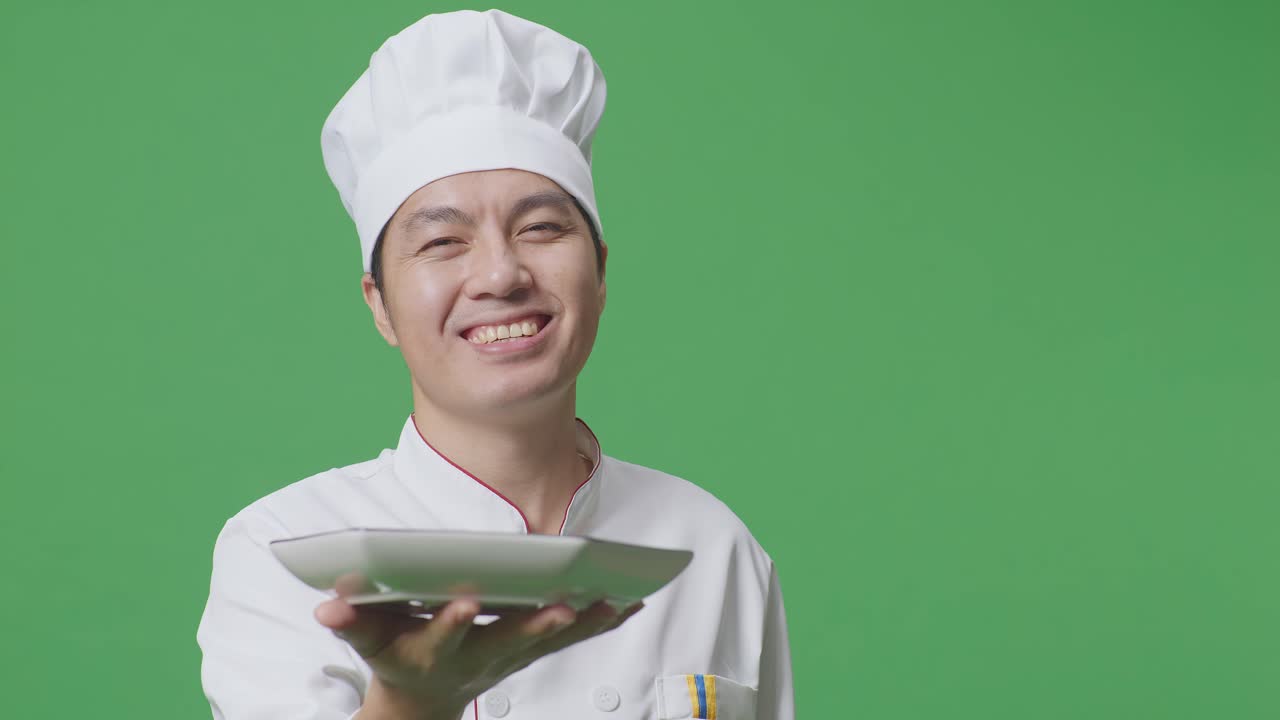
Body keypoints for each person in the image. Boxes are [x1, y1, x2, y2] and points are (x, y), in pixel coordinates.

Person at [196, 9, 795, 720]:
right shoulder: (287, 553)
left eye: (541, 227)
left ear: (599, 274)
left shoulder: (710, 546)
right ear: (380, 305)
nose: (501, 275)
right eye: (443, 242)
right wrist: (414, 700)